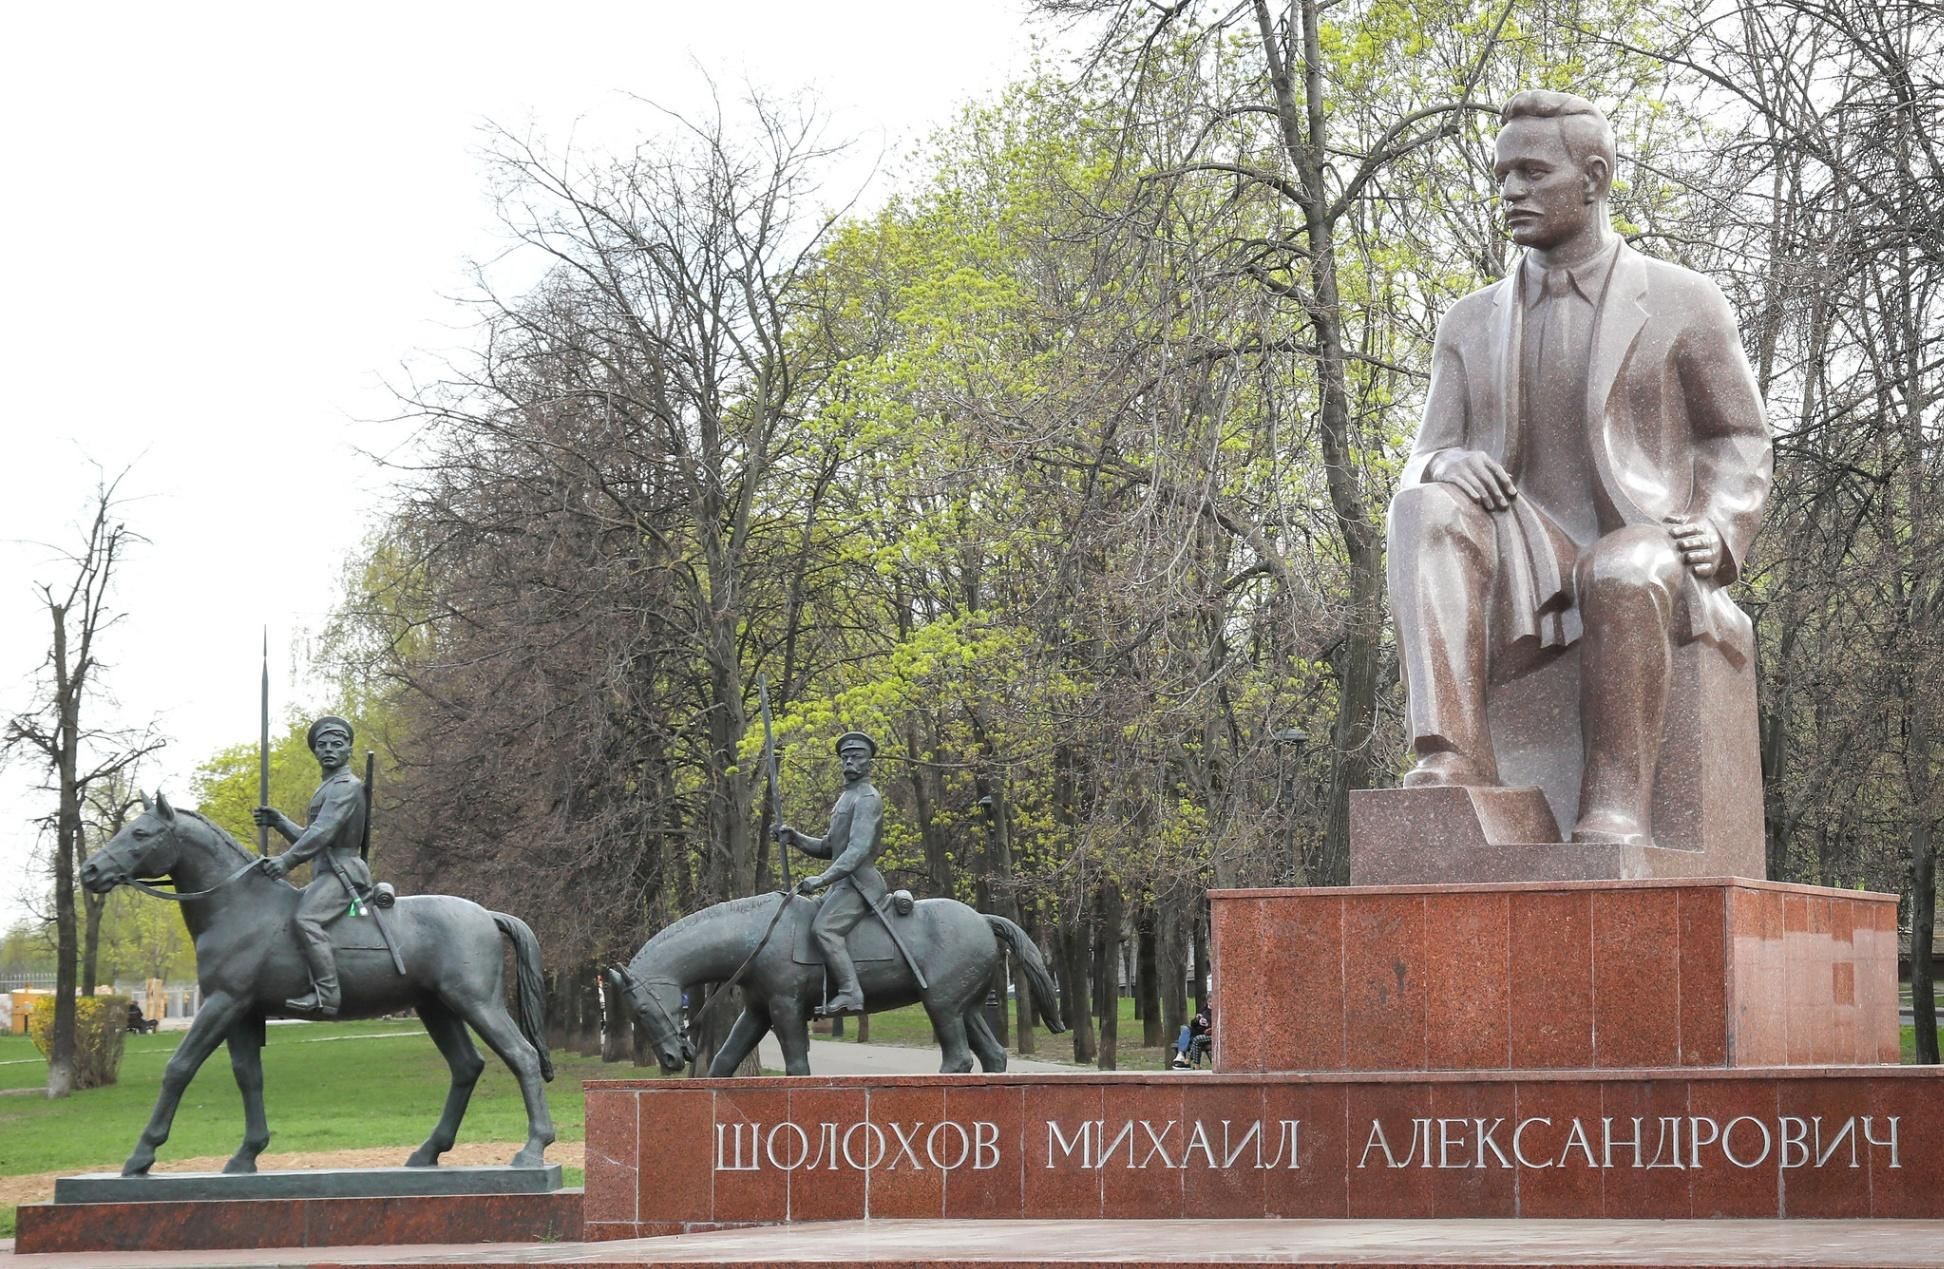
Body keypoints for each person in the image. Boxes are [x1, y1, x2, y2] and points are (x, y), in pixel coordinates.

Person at [1387, 89, 1770, 847]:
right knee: (1421, 511)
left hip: (1642, 534)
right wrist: (1448, 462)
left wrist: (1719, 527)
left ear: (1593, 179)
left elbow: (1740, 437)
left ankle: (1616, 807)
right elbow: (1422, 456)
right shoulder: (1468, 320)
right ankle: (1455, 755)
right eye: (1501, 176)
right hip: (1521, 539)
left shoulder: (1682, 300)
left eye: (1531, 172)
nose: (1510, 193)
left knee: (1623, 572)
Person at [252, 715, 370, 1018]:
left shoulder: (346, 786)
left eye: (337, 744)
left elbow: (323, 833)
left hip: (344, 874)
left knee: (306, 919)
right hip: (328, 871)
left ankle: (327, 996)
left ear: (348, 750)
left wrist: (286, 860)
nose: (329, 749)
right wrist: (279, 822)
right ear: (316, 751)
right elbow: (314, 837)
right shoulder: (327, 786)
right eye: (323, 745)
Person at [774, 731, 885, 1015]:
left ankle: (851, 993)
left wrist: (822, 879)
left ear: (869, 762)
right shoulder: (845, 798)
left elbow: (858, 851)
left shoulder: (868, 798)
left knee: (825, 929)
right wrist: (796, 838)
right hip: (843, 885)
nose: (849, 761)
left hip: (862, 885)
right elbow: (829, 847)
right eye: (845, 757)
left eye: (857, 756)